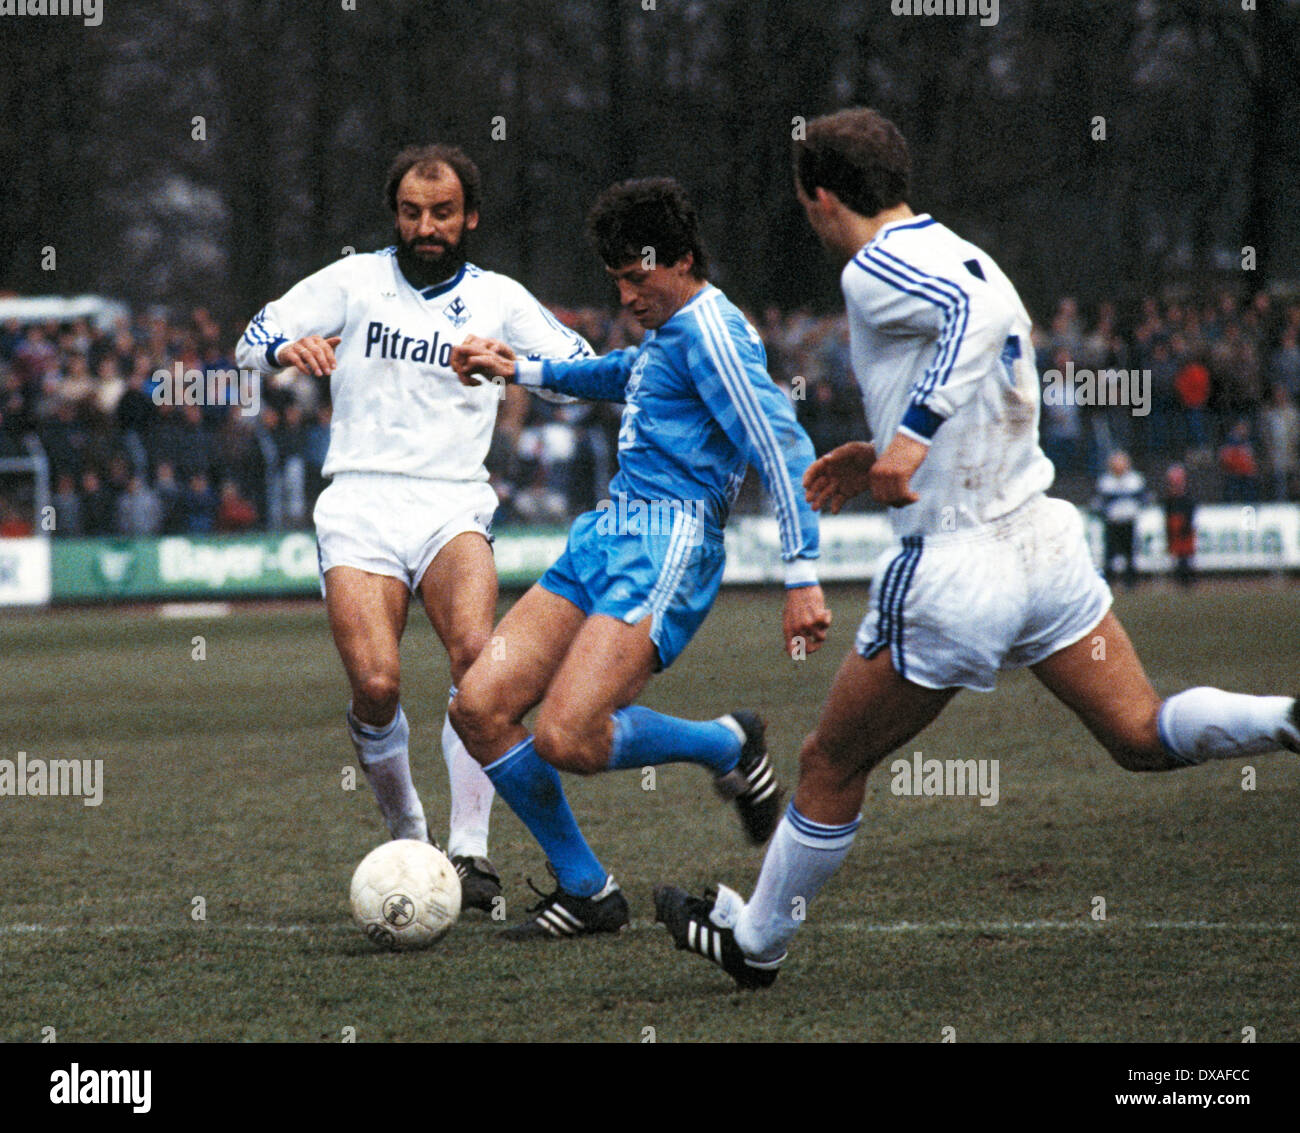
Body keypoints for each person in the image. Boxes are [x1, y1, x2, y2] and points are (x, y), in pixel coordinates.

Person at [652, 107, 1300, 989]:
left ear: (822, 194)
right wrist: (884, 448)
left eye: (803, 196)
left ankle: (755, 943)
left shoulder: (873, 265)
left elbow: (979, 316)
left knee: (827, 762)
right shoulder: (955, 244)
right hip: (1043, 541)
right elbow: (990, 328)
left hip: (959, 567)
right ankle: (1287, 718)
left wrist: (910, 440)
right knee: (1141, 733)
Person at [449, 177, 830, 939]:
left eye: (637, 277)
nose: (625, 294)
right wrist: (519, 368)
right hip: (606, 533)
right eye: (616, 279)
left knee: (566, 735)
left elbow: (782, 446)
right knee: (479, 707)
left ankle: (722, 741)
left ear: (684, 260)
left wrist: (804, 573)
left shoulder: (715, 334)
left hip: (670, 543)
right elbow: (628, 375)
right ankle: (589, 890)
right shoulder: (670, 332)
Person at [234, 144, 594, 910]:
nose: (425, 226)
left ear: (469, 217)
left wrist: (513, 363)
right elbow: (250, 338)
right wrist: (281, 348)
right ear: (394, 214)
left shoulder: (499, 297)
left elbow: (582, 368)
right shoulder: (356, 279)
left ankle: (470, 853)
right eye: (410, 212)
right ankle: (409, 831)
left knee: (477, 660)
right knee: (376, 683)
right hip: (359, 502)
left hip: (452, 502)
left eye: (441, 213)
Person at [1093, 450, 1146, 588]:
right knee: (1110, 555)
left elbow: (1143, 499)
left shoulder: (1135, 480)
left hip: (1129, 522)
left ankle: (1130, 582)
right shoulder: (1106, 481)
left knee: (1129, 555)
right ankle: (1108, 582)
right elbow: (1100, 503)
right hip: (1113, 523)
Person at [1162, 463, 1196, 587]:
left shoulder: (1186, 497)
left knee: (1186, 554)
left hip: (1183, 525)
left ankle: (1187, 578)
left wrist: (1187, 524)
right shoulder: (1169, 498)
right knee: (1177, 554)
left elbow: (1191, 511)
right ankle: (1181, 577)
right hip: (1174, 524)